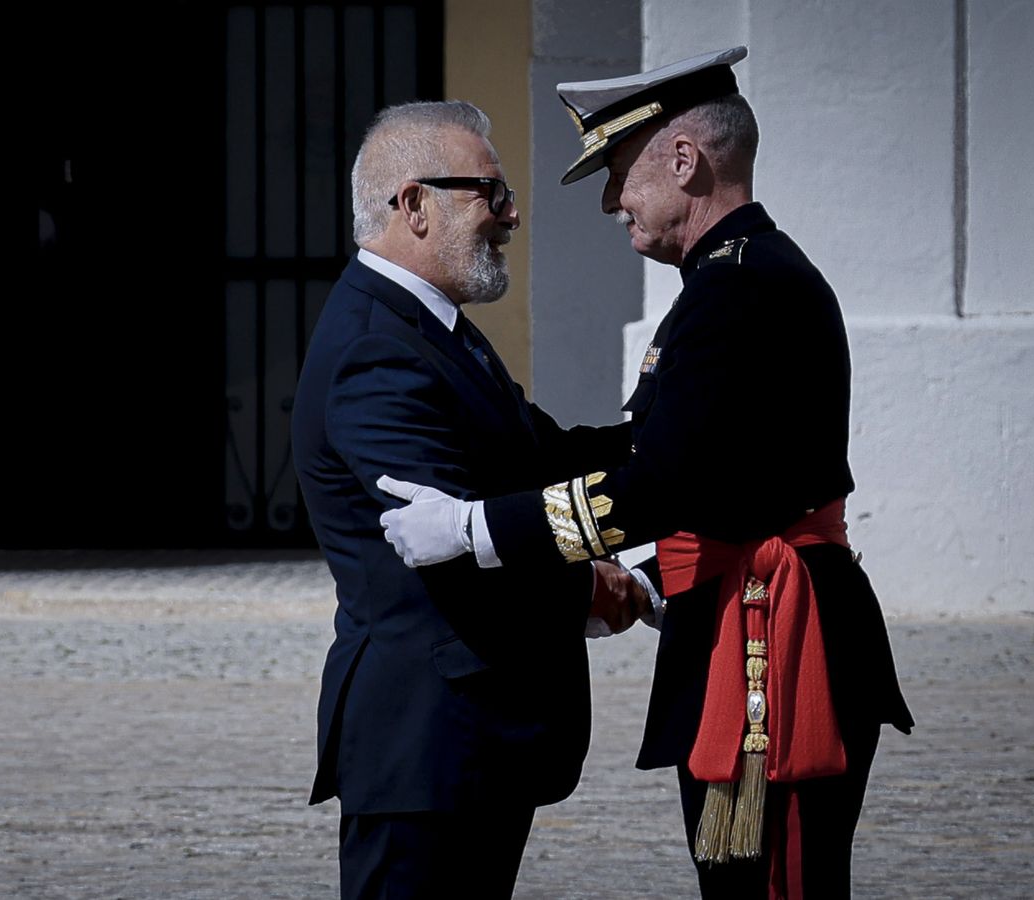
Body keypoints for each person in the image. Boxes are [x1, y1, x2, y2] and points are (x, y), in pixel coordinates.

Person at [377, 48, 914, 899]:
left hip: (774, 638)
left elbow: (655, 486)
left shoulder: (738, 288)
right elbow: (676, 457)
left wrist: (476, 530)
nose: (610, 198)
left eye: (621, 170)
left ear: (684, 160)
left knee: (772, 886)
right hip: (746, 619)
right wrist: (516, 447)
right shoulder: (730, 279)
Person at [292, 100, 646, 899]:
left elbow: (542, 452)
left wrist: (677, 435)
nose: (513, 213)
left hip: (467, 746)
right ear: (414, 204)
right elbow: (444, 552)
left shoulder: (426, 325)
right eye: (492, 193)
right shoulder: (375, 350)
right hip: (426, 747)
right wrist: (593, 585)